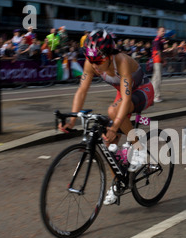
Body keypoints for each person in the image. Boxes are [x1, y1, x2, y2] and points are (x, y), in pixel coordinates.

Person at [58, 29, 154, 205]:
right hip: (124, 94)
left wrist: (115, 126)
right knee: (107, 142)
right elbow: (82, 91)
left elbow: (125, 100)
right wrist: (72, 120)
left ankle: (139, 149)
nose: (94, 65)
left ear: (109, 55)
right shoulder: (92, 62)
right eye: (91, 60)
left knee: (113, 112)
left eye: (98, 61)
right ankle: (118, 183)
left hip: (143, 90)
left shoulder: (122, 61)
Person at [151, 26, 165, 103]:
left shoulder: (159, 40)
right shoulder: (157, 40)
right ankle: (157, 96)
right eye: (162, 31)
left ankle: (153, 95)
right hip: (158, 61)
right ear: (158, 32)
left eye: (164, 31)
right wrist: (163, 60)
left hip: (157, 61)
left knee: (155, 79)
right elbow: (158, 52)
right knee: (158, 79)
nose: (163, 32)